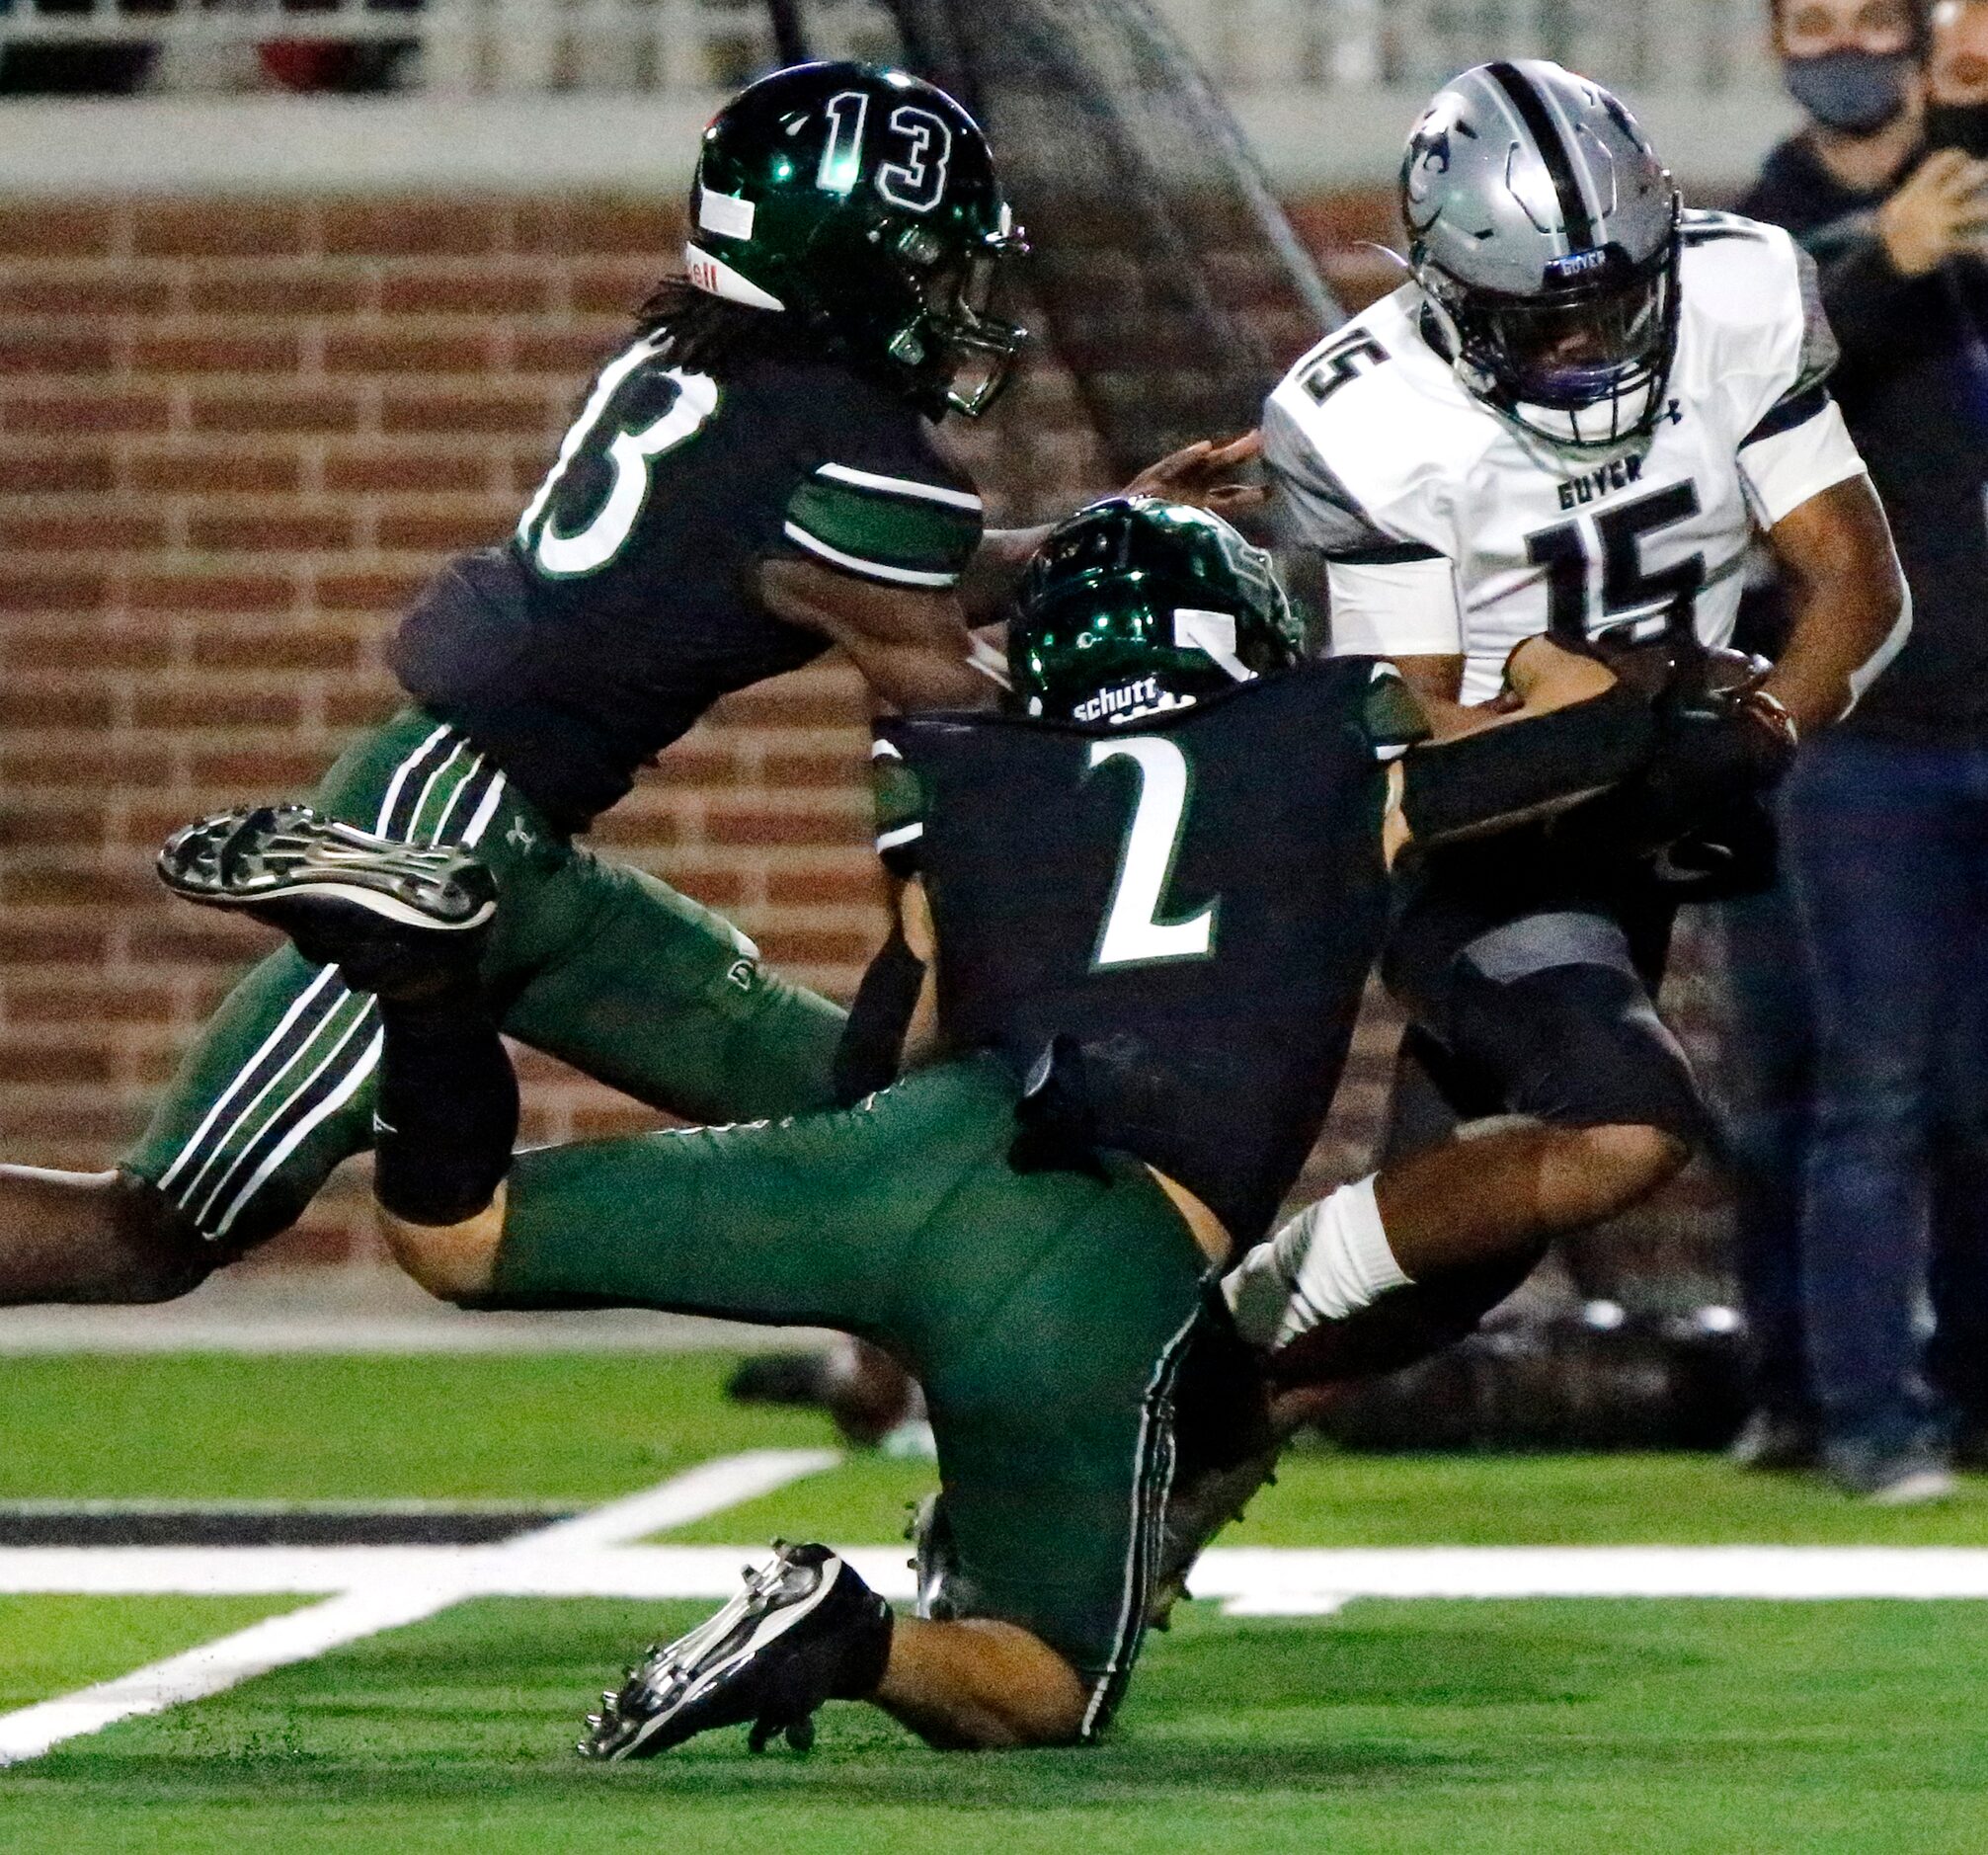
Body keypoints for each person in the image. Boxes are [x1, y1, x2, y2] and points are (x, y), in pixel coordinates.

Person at [156, 497, 1663, 1752]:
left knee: (458, 1237)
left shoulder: (955, 770)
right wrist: (1538, 646)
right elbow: (1595, 737)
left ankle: (426, 987)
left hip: (903, 1151)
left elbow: (896, 1035)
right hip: (1106, 1251)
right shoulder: (1341, 737)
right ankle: (853, 1635)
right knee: (1033, 1685)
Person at [0, 59, 1245, 1308]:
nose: (951, 293)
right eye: (930, 260)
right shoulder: (854, 458)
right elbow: (948, 715)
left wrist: (1096, 535)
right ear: (854, 256)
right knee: (152, 1232)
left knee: (849, 1096)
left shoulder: (695, 357)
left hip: (490, 830)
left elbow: (876, 574)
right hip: (438, 841)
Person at [1255, 58, 1911, 1396]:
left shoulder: (1734, 294)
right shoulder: (1369, 422)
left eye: (1619, 301)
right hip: (1493, 838)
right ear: (1444, 293)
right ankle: (1226, 1329)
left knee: (1462, 1250)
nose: (1592, 348)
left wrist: (1760, 728)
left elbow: (1858, 582)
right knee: (1620, 1125)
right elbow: (1413, 746)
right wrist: (1607, 732)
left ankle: (1187, 1444)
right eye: (1544, 323)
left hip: (1651, 811)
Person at [1737, 0, 1988, 1496]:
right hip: (1871, 739)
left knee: (1971, 1100)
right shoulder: (1771, 234)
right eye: (1809, 20)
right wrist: (1887, 265)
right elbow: (1747, 385)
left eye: (1868, 20)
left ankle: (1966, 1395)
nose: (1843, 46)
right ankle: (1863, 1417)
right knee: (1866, 1088)